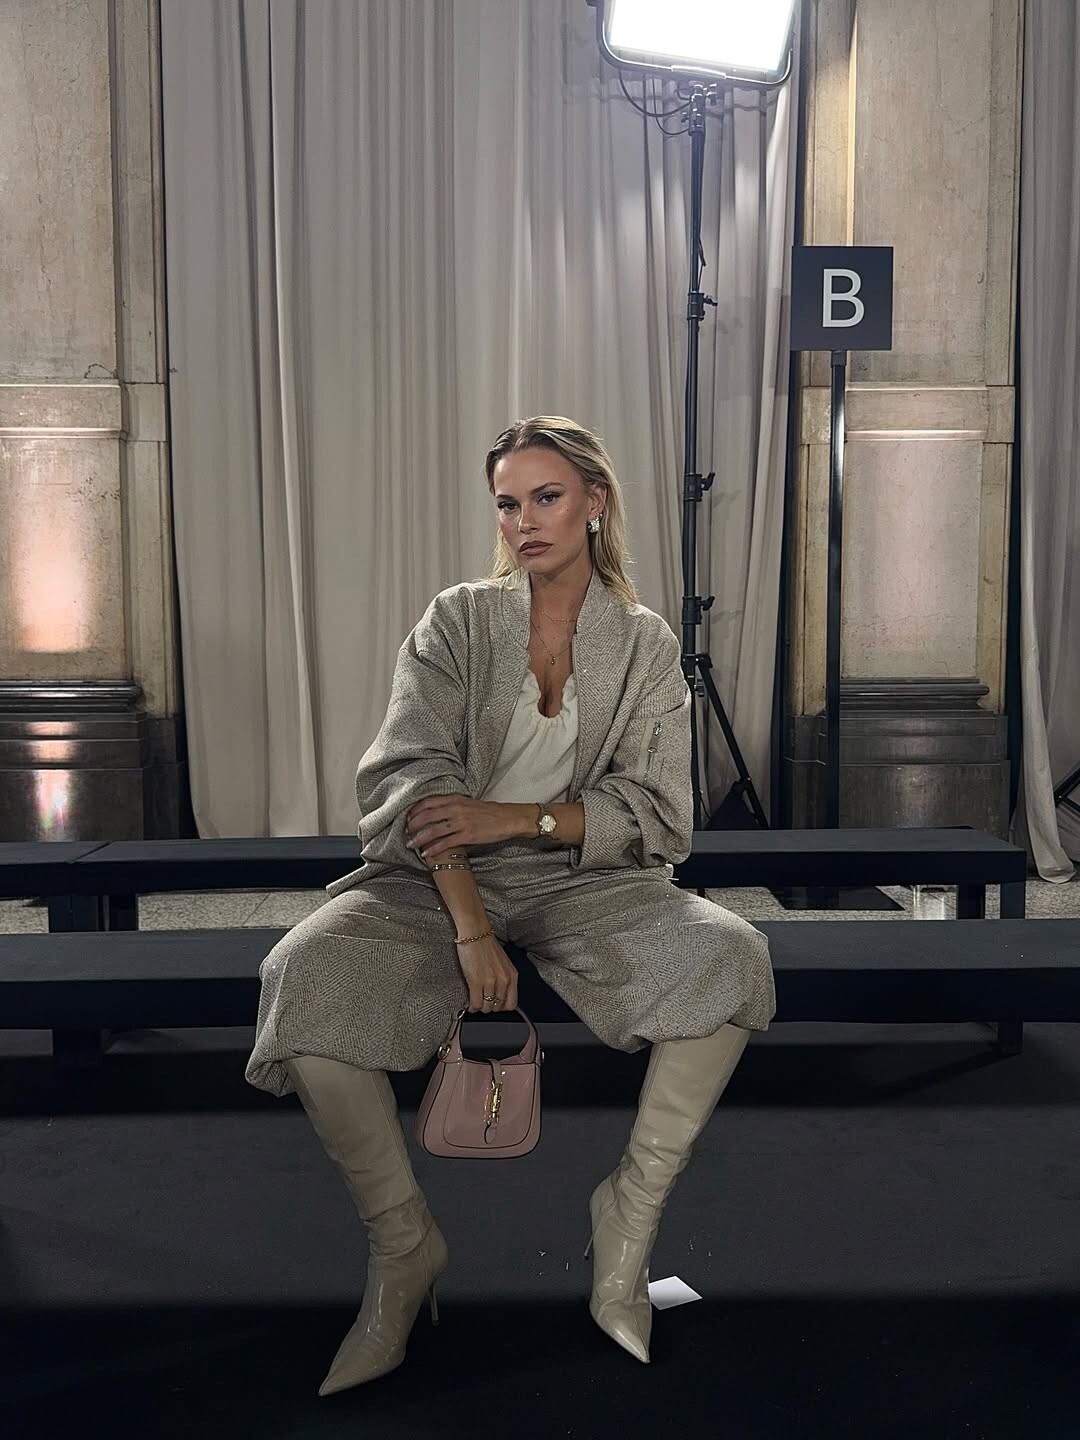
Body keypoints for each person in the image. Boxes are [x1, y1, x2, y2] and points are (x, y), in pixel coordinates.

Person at [245, 415, 776, 1396]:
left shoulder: (646, 643)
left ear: (595, 503)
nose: (524, 520)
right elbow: (414, 780)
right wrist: (472, 926)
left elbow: (661, 811)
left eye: (546, 497)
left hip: (588, 882)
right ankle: (404, 1247)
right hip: (435, 881)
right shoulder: (457, 621)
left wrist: (519, 819)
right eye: (507, 503)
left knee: (731, 956)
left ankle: (628, 1219)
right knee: (302, 972)